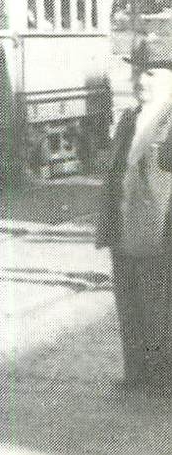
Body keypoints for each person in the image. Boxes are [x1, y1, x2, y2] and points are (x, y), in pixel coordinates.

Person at [97, 35, 172, 395]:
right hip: (125, 228)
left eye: (151, 73)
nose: (140, 80)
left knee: (162, 307)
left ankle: (163, 378)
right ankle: (137, 372)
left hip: (162, 232)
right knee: (129, 303)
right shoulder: (129, 118)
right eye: (137, 72)